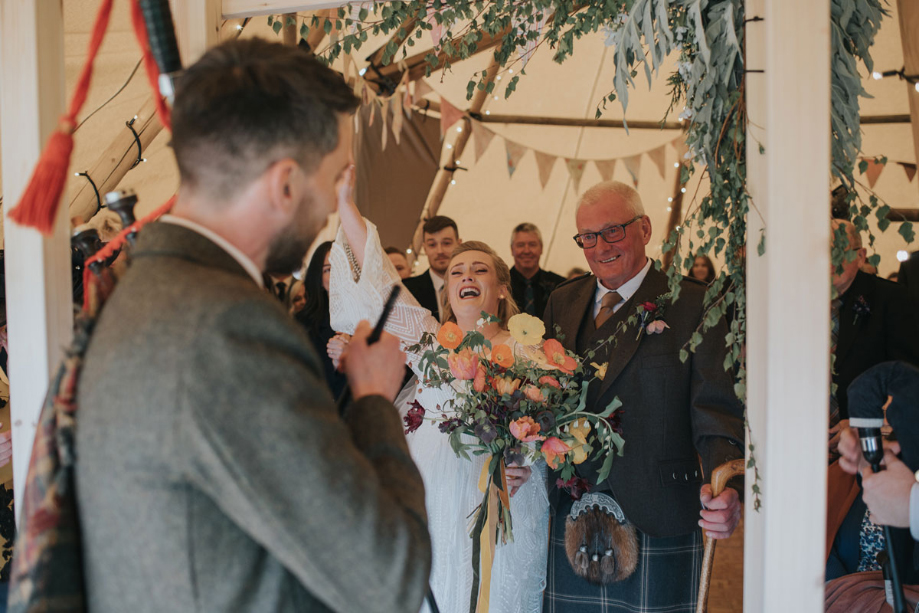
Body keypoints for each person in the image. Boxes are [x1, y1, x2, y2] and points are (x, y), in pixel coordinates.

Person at [74, 39, 431, 613]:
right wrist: (373, 401)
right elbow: (387, 578)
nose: (330, 209)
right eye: (336, 180)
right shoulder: (233, 328)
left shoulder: (141, 289)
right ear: (285, 183)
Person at [330, 182, 548, 613]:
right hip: (431, 486)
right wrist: (345, 204)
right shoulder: (429, 337)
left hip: (500, 495)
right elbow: (378, 281)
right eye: (457, 271)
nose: (466, 275)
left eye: (479, 269)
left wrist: (525, 461)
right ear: (447, 289)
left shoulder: (529, 351)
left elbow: (544, 429)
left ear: (501, 288)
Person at [541, 181, 744, 612]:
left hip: (661, 513)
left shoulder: (696, 302)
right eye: (588, 237)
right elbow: (543, 400)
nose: (601, 247)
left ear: (645, 228)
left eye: (613, 231)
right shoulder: (562, 301)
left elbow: (716, 412)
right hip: (570, 511)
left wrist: (727, 484)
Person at [295, 242, 348, 399]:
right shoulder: (303, 323)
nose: (337, 274)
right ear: (319, 277)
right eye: (328, 269)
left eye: (341, 266)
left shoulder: (371, 318)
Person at [402, 216, 460, 320]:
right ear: (425, 248)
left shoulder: (473, 285)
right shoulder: (407, 291)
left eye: (446, 243)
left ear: (459, 244)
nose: (439, 251)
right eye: (432, 245)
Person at [508, 223, 565, 320]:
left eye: (532, 245)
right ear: (512, 249)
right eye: (520, 245)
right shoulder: (500, 286)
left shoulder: (560, 286)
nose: (526, 251)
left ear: (541, 248)